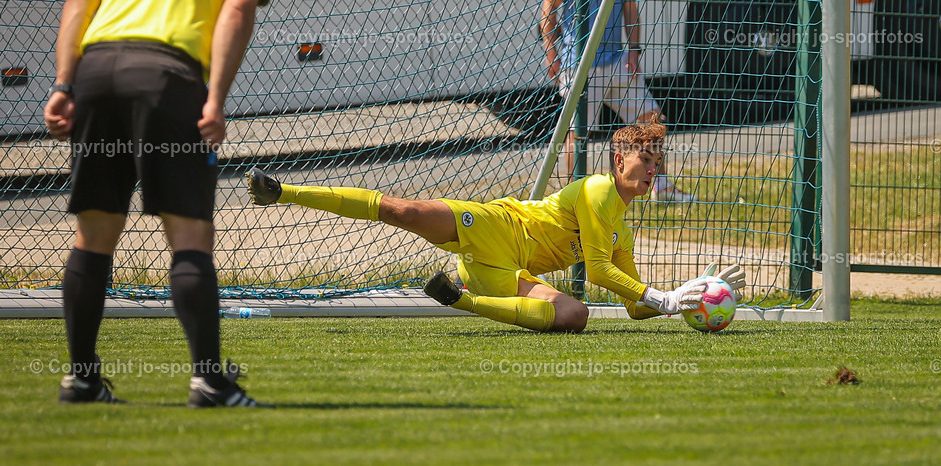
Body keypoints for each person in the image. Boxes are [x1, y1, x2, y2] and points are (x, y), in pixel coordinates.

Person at [43, 0, 275, 407]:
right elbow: (238, 9)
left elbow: (77, 2)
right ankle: (209, 382)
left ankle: (81, 379)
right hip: (167, 79)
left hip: (96, 73)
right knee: (190, 236)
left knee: (93, 235)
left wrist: (63, 84)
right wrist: (215, 98)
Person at [245, 120, 744, 333]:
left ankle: (459, 298)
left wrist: (689, 294)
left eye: (658, 161)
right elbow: (596, 270)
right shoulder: (598, 189)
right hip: (495, 226)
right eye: (646, 159)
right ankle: (282, 191)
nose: (654, 169)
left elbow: (634, 308)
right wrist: (663, 298)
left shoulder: (623, 230)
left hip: (502, 276)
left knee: (575, 315)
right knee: (404, 211)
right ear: (619, 161)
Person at [540, 0, 693, 202]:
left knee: (651, 120)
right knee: (577, 133)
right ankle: (573, 196)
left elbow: (630, 11)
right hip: (580, 66)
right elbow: (549, 8)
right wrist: (551, 53)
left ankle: (661, 188)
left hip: (617, 63)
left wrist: (633, 52)